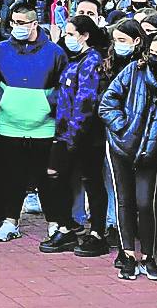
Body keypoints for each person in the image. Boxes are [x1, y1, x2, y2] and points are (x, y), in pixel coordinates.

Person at [0, 2, 67, 242]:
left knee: (47, 179)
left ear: (35, 23)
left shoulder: (55, 52)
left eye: (22, 23)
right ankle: (10, 221)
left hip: (43, 125)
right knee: (12, 176)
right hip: (7, 124)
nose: (17, 27)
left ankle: (54, 223)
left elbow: (63, 87)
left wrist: (46, 103)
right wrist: (3, 101)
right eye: (13, 22)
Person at [100, 21, 157, 280]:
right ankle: (127, 253)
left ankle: (149, 255)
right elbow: (107, 103)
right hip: (120, 144)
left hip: (151, 150)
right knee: (124, 200)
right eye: (155, 52)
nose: (156, 58)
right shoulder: (133, 70)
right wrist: (123, 127)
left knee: (145, 202)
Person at [41, 15, 108, 256]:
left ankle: (97, 232)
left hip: (85, 136)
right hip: (66, 131)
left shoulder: (91, 61)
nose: (66, 38)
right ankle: (65, 226)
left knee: (91, 182)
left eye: (70, 34)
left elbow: (85, 102)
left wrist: (72, 136)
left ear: (85, 35)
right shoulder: (74, 60)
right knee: (56, 177)